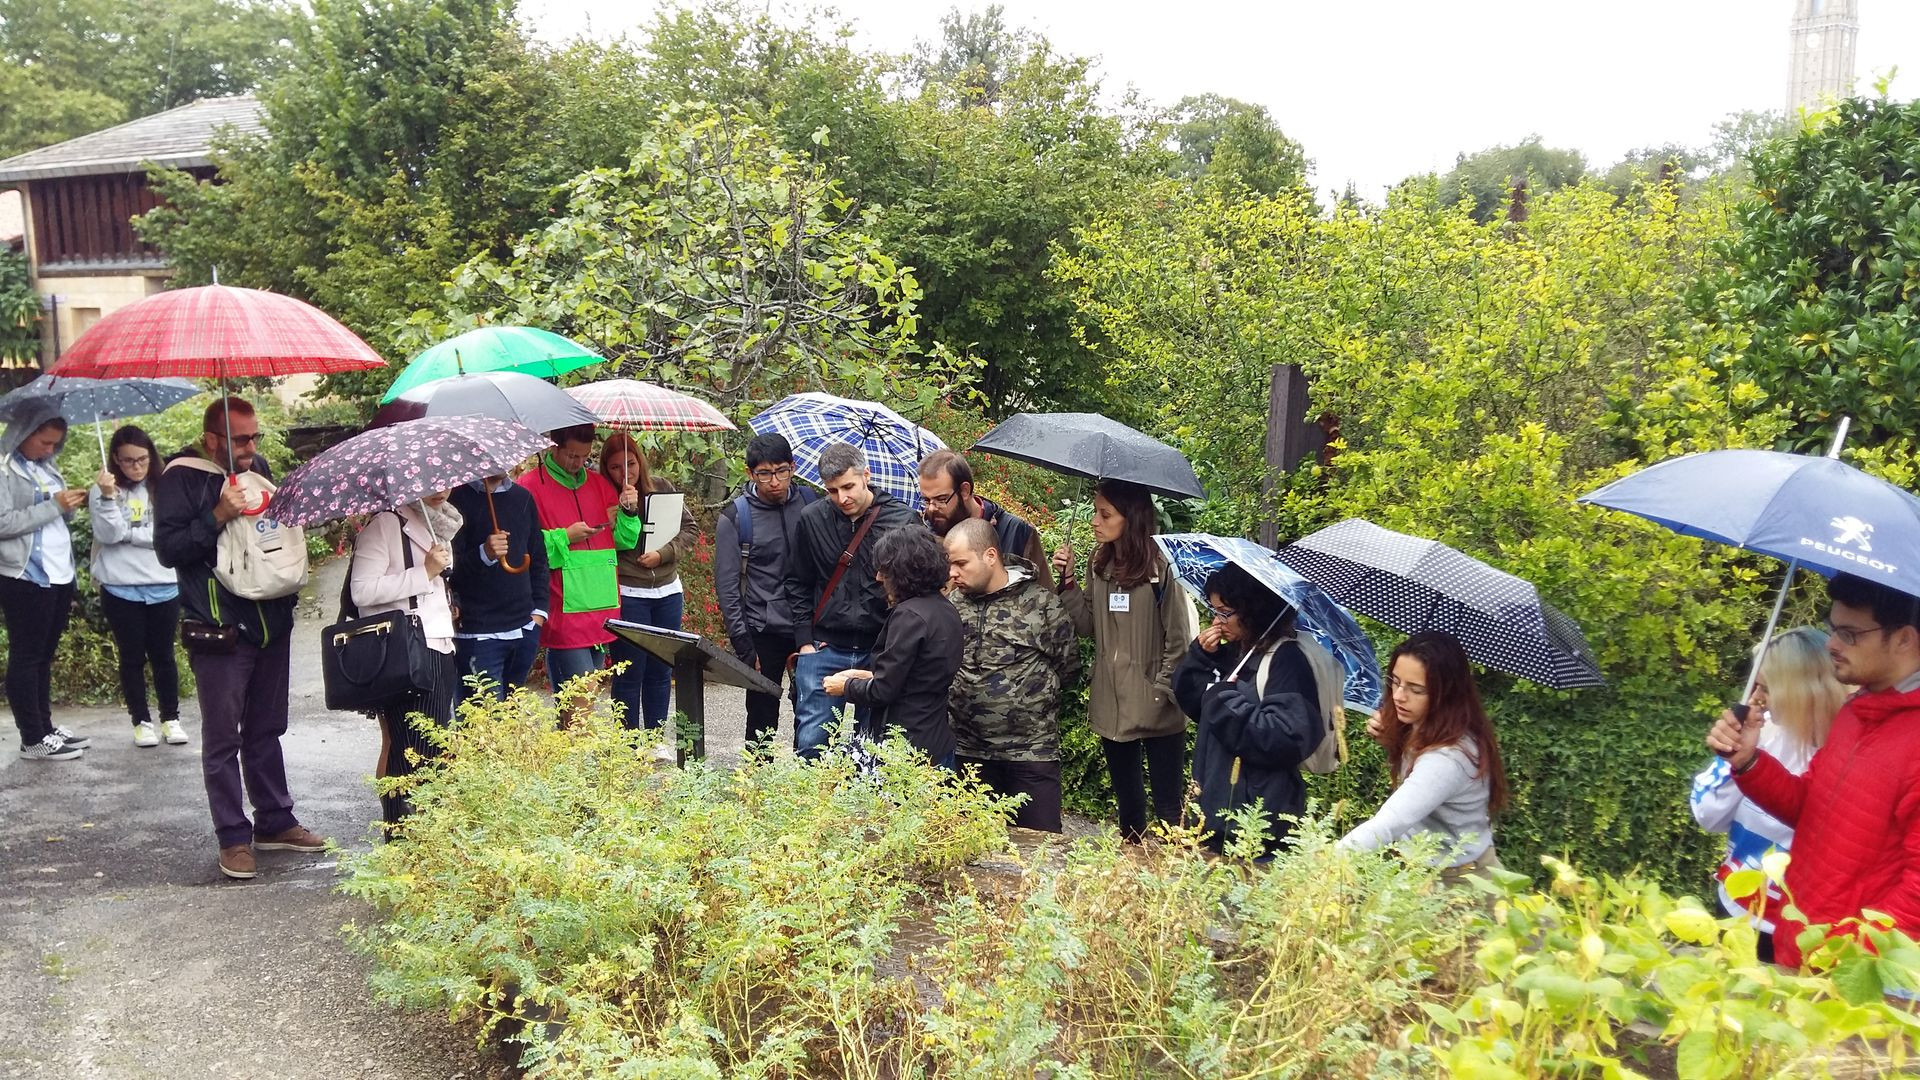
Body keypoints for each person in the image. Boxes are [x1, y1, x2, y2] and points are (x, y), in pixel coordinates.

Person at [1707, 572, 1920, 970]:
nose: (1832, 645)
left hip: (1846, 975)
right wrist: (1749, 761)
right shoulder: (1857, 713)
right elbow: (1813, 809)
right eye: (1832, 629)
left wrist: (1844, 958)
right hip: (1800, 943)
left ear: (1905, 639)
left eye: (1850, 634)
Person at [154, 397, 327, 880]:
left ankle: (275, 821)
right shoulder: (180, 478)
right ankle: (233, 836)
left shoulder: (260, 469)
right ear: (211, 439)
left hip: (271, 620)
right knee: (222, 738)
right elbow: (169, 550)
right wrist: (215, 515)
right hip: (219, 628)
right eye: (241, 439)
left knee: (267, 727)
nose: (251, 447)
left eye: (255, 437)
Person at [1690, 627, 1846, 962]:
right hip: (1736, 907)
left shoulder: (1849, 753)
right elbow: (1708, 816)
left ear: (1801, 690)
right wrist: (1734, 759)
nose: (1756, 697)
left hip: (1804, 931)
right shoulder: (1763, 736)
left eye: (1767, 687)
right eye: (1756, 685)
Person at [1052, 480, 1191, 842]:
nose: (1095, 521)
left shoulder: (1162, 570)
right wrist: (1066, 583)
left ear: (1131, 517)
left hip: (1157, 706)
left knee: (1169, 811)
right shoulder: (1099, 565)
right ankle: (1130, 884)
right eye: (1096, 512)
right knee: (1129, 812)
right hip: (1110, 703)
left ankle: (1172, 882)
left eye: (1105, 514)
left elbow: (1178, 642)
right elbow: (1088, 626)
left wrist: (1161, 692)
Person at [1171, 563, 1323, 855]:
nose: (1217, 621)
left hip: (1256, 823)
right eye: (1214, 611)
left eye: (1225, 612)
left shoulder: (1287, 661)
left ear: (1253, 609)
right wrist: (1201, 657)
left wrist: (1221, 698)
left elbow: (1285, 737)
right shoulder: (1237, 652)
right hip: (1214, 812)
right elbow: (1194, 703)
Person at [944, 517, 1079, 831]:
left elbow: (1068, 665)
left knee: (1040, 855)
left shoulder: (1041, 605)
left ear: (990, 556)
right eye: (951, 564)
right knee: (969, 856)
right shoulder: (952, 605)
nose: (953, 573)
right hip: (968, 751)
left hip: (1029, 753)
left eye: (961, 563)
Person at [1339, 632, 1508, 876]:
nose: (1398, 696)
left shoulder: (1448, 759)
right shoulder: (1428, 726)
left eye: (1416, 690)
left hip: (1458, 884)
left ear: (1447, 694)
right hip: (1423, 869)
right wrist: (1394, 737)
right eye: (1395, 681)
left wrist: (1320, 864)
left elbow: (1388, 824)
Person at [785, 442, 916, 757]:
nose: (842, 498)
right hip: (825, 647)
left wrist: (901, 646)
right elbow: (797, 581)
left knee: (874, 751)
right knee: (812, 745)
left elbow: (917, 590)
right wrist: (804, 641)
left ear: (866, 476)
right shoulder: (811, 519)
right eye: (832, 490)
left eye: (848, 487)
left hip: (880, 650)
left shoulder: (903, 519)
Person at [348, 493, 462, 829]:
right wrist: (423, 572)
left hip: (440, 645)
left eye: (446, 481)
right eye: (432, 481)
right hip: (406, 652)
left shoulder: (441, 525)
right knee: (409, 749)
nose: (440, 489)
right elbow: (361, 592)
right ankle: (401, 842)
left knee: (433, 747)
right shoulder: (385, 524)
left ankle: (425, 842)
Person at [823, 527, 964, 767]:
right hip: (936, 741)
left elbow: (883, 692)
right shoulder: (946, 609)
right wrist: (866, 675)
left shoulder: (908, 616)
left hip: (905, 747)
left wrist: (845, 687)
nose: (878, 577)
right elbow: (919, 675)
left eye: (885, 570)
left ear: (903, 571)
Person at [520, 424, 641, 698]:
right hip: (564, 610)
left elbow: (623, 540)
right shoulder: (528, 488)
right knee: (581, 699)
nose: (578, 463)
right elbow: (524, 548)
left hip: (602, 605)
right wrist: (565, 536)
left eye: (584, 457)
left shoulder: (599, 484)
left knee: (584, 703)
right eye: (571, 456)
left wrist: (629, 511)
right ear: (554, 446)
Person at [715, 433, 816, 747]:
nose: (775, 481)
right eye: (765, 474)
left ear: (793, 468)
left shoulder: (812, 504)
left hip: (808, 627)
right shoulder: (737, 517)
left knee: (813, 712)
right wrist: (744, 645)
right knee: (761, 717)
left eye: (782, 471)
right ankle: (757, 784)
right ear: (750, 473)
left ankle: (811, 782)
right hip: (762, 630)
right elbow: (727, 585)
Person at [1, 408, 89, 761]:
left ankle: (46, 727)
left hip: (58, 572)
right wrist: (54, 506)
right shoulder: (6, 470)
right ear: (23, 432)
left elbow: (54, 512)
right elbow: (3, 522)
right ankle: (32, 738)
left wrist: (69, 505)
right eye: (44, 441)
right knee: (27, 655)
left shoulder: (46, 467)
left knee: (44, 655)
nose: (50, 449)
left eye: (56, 443)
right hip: (25, 575)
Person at [90, 424, 186, 748]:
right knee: (131, 657)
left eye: (142, 459)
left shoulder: (164, 486)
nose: (136, 466)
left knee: (164, 656)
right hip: (120, 586)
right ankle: (141, 721)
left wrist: (133, 535)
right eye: (128, 460)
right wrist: (106, 499)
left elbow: (167, 533)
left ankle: (171, 718)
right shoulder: (104, 489)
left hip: (162, 582)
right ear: (116, 458)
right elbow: (109, 535)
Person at [601, 432, 697, 733]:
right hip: (629, 591)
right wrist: (623, 511)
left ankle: (654, 737)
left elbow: (689, 529)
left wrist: (664, 554)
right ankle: (626, 742)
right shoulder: (602, 496)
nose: (625, 473)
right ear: (606, 469)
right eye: (616, 467)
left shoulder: (661, 488)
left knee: (660, 668)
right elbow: (602, 543)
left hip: (667, 590)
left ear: (640, 461)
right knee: (630, 669)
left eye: (630, 463)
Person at [446, 474, 548, 701]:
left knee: (512, 721)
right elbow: (448, 569)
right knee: (485, 725)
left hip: (523, 629)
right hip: (477, 635)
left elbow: (538, 557)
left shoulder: (522, 498)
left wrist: (538, 612)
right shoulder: (455, 500)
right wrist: (485, 553)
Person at [917, 449, 1052, 589]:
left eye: (941, 499)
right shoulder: (922, 537)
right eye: (926, 500)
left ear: (964, 491)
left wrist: (1067, 581)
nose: (932, 508)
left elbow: (1045, 599)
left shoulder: (1016, 532)